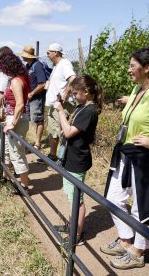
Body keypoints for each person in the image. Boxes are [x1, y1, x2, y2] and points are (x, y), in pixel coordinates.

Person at [101, 46, 149, 270]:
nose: (128, 70)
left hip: (145, 158)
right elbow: (143, 108)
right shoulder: (140, 90)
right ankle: (126, 240)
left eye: (132, 66)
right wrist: (130, 101)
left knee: (141, 207)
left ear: (147, 68)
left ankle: (138, 251)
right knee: (113, 198)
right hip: (126, 154)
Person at [53, 75, 103, 246]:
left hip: (77, 160)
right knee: (71, 195)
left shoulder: (89, 111)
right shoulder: (82, 107)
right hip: (71, 156)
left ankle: (77, 235)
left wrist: (60, 111)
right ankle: (72, 226)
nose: (73, 96)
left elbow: (68, 132)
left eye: (75, 93)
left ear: (86, 92)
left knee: (76, 199)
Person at [0, 52, 30, 190]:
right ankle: (6, 177)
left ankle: (24, 186)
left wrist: (12, 123)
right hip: (13, 117)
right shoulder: (18, 78)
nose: (1, 70)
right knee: (4, 150)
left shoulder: (16, 81)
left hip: (17, 120)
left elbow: (20, 104)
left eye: (2, 67)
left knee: (16, 152)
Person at [44, 43, 76, 167]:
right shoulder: (58, 65)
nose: (47, 55)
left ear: (56, 53)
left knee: (60, 131)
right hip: (55, 104)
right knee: (54, 130)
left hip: (61, 104)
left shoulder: (64, 64)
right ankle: (54, 156)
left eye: (49, 52)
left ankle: (60, 159)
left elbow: (73, 79)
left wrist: (65, 93)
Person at [19, 45, 46, 150]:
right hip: (29, 97)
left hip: (36, 98)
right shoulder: (28, 66)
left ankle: (38, 143)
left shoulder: (37, 66)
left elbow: (42, 84)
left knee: (38, 119)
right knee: (31, 119)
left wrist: (32, 93)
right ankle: (35, 140)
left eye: (24, 55)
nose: (22, 57)